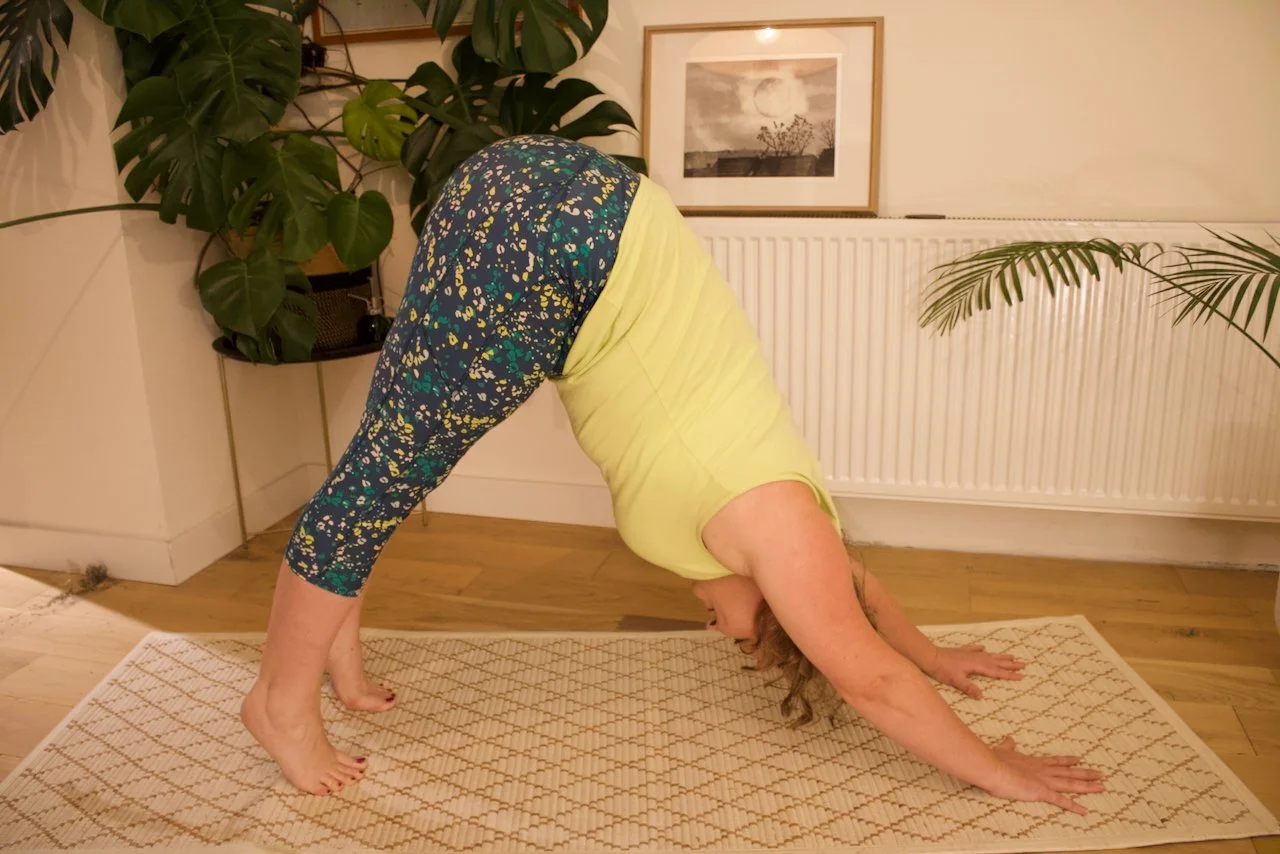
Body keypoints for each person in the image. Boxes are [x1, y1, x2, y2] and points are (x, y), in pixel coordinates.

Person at [240, 135, 1105, 813]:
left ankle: (337, 653)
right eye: (742, 638)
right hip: (568, 249)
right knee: (377, 481)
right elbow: (867, 674)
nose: (717, 631)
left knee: (381, 461)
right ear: (777, 610)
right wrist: (996, 770)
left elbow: (857, 596)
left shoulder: (788, 528)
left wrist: (932, 651)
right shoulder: (777, 533)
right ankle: (280, 706)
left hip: (540, 188)